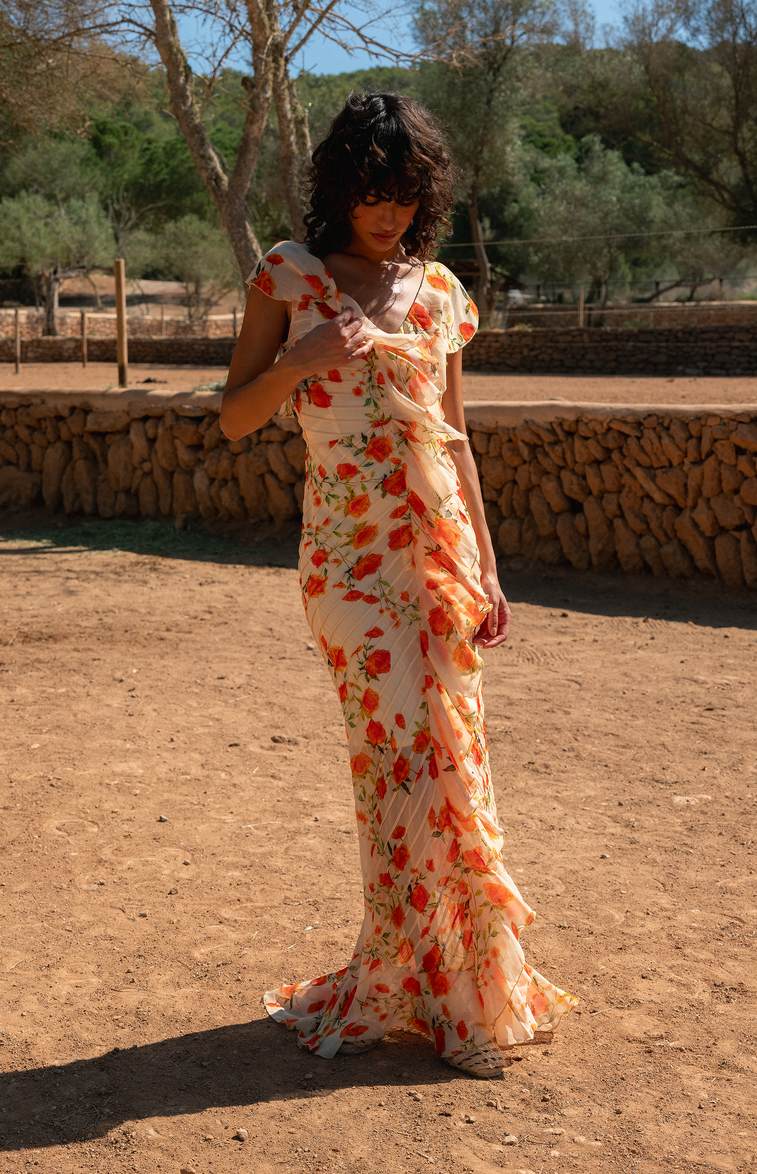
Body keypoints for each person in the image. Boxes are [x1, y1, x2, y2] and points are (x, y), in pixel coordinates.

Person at [220, 92, 577, 1078]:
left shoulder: (441, 294)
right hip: (350, 568)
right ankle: (417, 984)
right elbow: (235, 419)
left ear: (425, 196)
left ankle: (467, 982)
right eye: (369, 193)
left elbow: (455, 441)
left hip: (443, 559)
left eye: (402, 195)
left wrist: (491, 567)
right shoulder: (289, 277)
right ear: (339, 187)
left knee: (458, 770)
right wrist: (302, 358)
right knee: (399, 771)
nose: (385, 214)